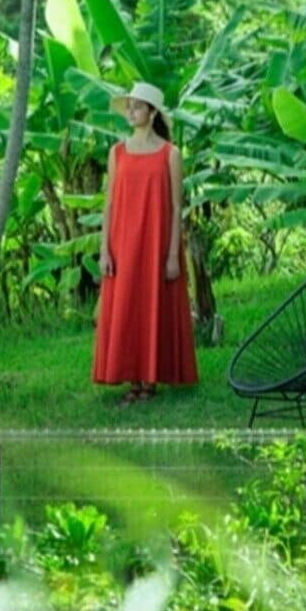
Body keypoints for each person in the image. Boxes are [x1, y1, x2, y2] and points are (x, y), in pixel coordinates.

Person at [93, 79, 196, 399]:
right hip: (122, 243)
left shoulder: (170, 154)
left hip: (156, 242)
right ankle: (132, 380)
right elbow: (108, 204)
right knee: (126, 307)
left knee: (153, 305)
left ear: (152, 113)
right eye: (129, 107)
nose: (131, 111)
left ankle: (149, 382)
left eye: (137, 107)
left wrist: (172, 255)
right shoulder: (117, 152)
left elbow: (177, 206)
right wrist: (104, 249)